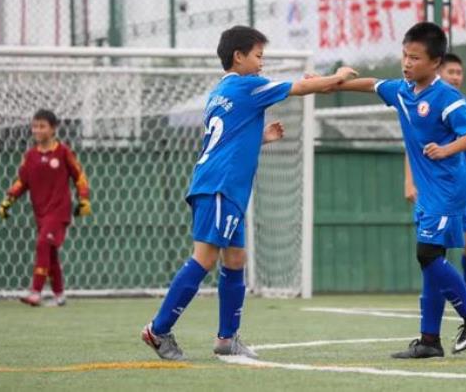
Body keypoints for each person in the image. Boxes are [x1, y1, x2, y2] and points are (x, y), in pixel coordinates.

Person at [141, 25, 357, 361]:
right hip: (220, 187)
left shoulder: (221, 91)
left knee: (236, 258)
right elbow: (300, 87)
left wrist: (261, 138)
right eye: (258, 56)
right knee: (206, 257)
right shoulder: (247, 84)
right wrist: (337, 76)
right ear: (238, 57)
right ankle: (158, 329)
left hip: (225, 188)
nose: (261, 64)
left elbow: (227, 140)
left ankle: (227, 339)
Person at [334, 22, 466, 358]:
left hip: (449, 190)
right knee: (431, 260)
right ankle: (429, 341)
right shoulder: (403, 90)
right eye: (404, 55)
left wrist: (446, 150)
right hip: (428, 191)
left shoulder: (447, 96)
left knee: (427, 255)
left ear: (435, 63)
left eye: (415, 57)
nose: (407, 62)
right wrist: (334, 84)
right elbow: (373, 85)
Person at [404, 52, 466, 310]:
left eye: (460, 73)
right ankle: (449, 310)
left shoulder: (465, 105)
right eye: (452, 72)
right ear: (438, 71)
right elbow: (413, 145)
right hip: (434, 188)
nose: (456, 77)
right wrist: (409, 181)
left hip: (460, 186)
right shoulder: (419, 98)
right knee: (432, 251)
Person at [0, 109, 91, 307]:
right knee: (50, 253)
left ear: (53, 128)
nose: (37, 130)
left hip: (59, 211)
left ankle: (36, 291)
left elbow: (80, 176)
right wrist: (8, 200)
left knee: (42, 244)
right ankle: (59, 295)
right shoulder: (30, 156)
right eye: (34, 126)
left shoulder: (63, 152)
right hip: (40, 212)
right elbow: (22, 182)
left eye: (42, 126)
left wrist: (84, 200)